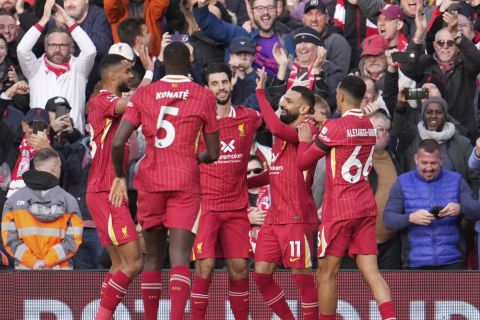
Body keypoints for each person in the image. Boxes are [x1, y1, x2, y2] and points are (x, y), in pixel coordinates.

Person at [110, 41, 219, 320]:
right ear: (189, 62)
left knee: (153, 256)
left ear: (163, 64)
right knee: (180, 255)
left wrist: (121, 176)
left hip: (150, 180)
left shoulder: (145, 94)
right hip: (185, 179)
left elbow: (118, 142)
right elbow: (214, 152)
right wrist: (199, 159)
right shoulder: (203, 95)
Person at [296, 75, 396, 320]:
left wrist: (303, 141)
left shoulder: (335, 128)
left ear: (339, 96)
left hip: (340, 208)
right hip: (365, 205)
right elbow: (347, 131)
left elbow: (302, 163)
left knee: (327, 273)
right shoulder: (370, 126)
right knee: (372, 272)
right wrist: (326, 122)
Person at [190, 63, 262, 320]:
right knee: (204, 267)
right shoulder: (196, 123)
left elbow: (278, 124)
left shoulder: (249, 117)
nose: (221, 88)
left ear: (231, 82)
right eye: (214, 83)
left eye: (224, 82)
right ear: (206, 88)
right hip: (206, 206)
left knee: (240, 269)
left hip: (236, 206)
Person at [249, 69, 319, 320]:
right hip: (274, 217)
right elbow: (276, 172)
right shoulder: (285, 132)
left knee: (302, 279)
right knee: (261, 275)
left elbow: (275, 127)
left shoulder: (307, 130)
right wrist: (246, 182)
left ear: (303, 109)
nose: (282, 103)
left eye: (288, 100)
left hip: (296, 216)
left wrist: (260, 92)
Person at [86, 54, 143, 319]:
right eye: (127, 71)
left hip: (107, 189)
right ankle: (102, 316)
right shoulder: (102, 100)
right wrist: (154, 76)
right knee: (134, 262)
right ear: (112, 76)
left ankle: (103, 315)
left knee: (120, 264)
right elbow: (133, 104)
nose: (131, 76)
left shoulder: (109, 104)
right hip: (105, 190)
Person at [384, 139, 480, 269]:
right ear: (416, 159)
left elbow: (476, 211)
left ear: (441, 160)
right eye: (424, 163)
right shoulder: (402, 182)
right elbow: (388, 219)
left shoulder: (456, 180)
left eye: (433, 163)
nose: (429, 168)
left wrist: (460, 209)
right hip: (415, 263)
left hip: (452, 261)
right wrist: (411, 218)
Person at [16, 0, 96, 133]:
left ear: (72, 48)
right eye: (52, 45)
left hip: (73, 139)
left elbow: (90, 51)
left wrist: (68, 21)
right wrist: (44, 19)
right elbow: (22, 50)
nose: (57, 49)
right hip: (40, 135)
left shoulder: (79, 68)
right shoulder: (35, 68)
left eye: (63, 45)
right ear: (45, 47)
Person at [1, 148, 83, 269]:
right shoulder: (69, 201)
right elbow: (73, 240)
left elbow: (9, 240)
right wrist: (48, 261)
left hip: (26, 273)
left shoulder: (12, 202)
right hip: (60, 273)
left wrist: (34, 262)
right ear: (54, 167)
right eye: (60, 167)